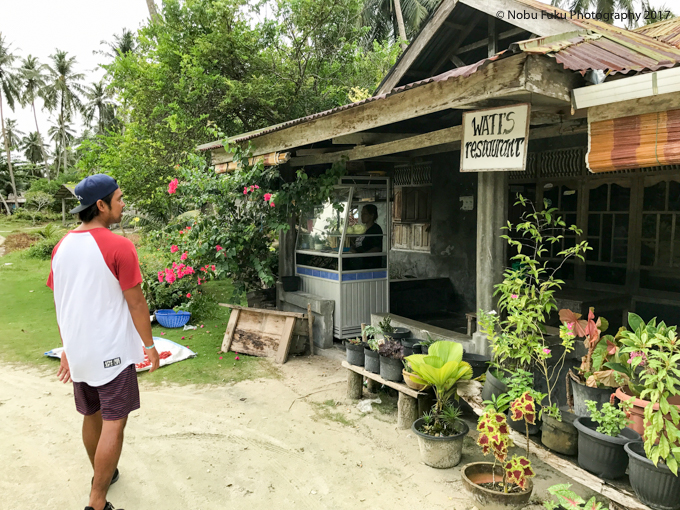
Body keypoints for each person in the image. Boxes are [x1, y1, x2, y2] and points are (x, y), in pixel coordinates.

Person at [47, 174, 159, 510]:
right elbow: (137, 303)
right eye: (119, 198)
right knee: (114, 421)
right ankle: (97, 502)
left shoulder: (61, 247)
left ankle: (103, 475)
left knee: (91, 413)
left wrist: (67, 349)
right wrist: (150, 346)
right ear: (101, 205)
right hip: (111, 352)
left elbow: (62, 303)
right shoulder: (119, 246)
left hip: (79, 353)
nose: (123, 204)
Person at [349, 204, 383, 269]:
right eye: (361, 213)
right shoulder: (362, 228)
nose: (362, 216)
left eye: (365, 213)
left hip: (370, 263)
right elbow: (357, 243)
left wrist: (362, 255)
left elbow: (377, 248)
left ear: (372, 215)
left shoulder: (376, 229)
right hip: (359, 260)